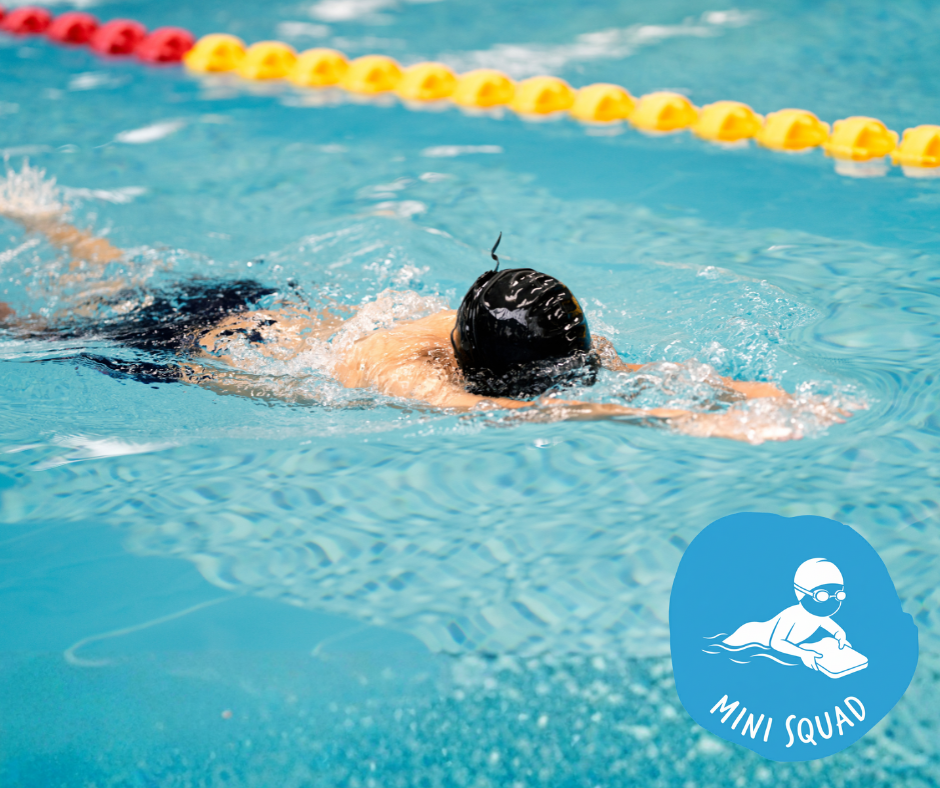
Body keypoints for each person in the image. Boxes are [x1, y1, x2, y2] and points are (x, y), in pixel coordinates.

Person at [0, 170, 847, 441]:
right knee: (30, 329)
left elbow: (612, 368)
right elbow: (516, 420)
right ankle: (45, 226)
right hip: (180, 343)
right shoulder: (408, 376)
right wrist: (668, 423)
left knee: (109, 266)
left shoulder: (462, 336)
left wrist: (745, 396)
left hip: (261, 315)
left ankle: (49, 220)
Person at [722, 558, 851, 671]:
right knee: (723, 654)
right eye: (822, 595)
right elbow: (776, 642)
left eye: (839, 595)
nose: (831, 600)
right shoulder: (792, 615)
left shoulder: (818, 616)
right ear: (802, 593)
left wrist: (840, 635)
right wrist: (803, 653)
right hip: (748, 638)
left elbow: (832, 627)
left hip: (767, 648)